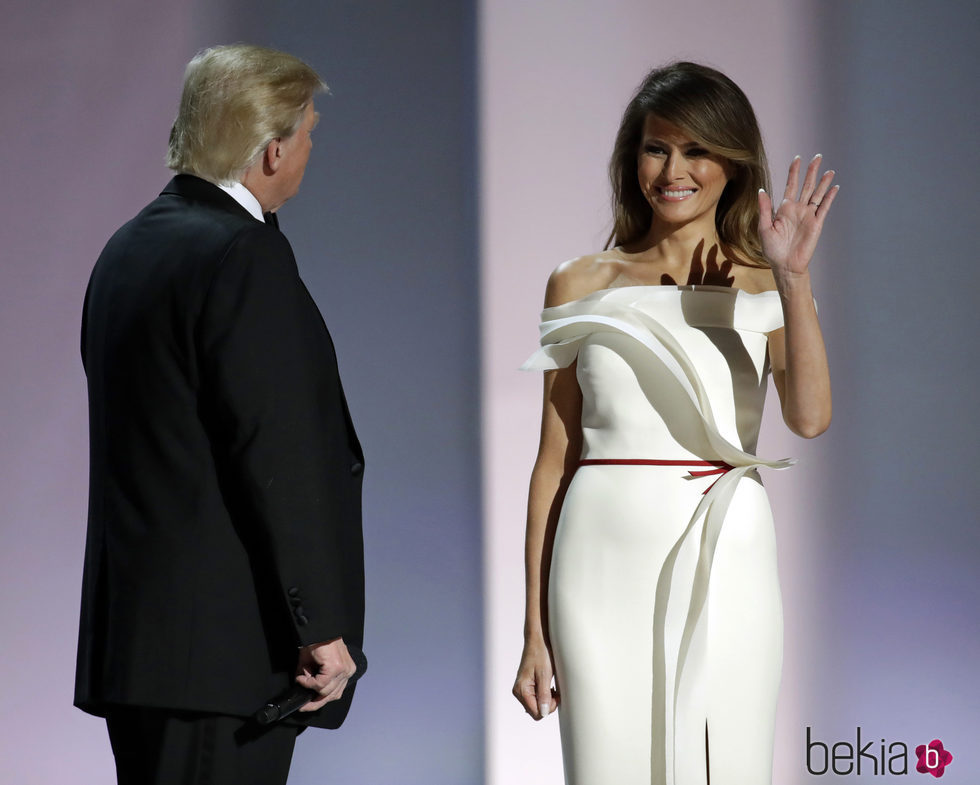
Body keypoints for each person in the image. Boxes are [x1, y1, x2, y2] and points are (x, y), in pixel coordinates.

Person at [513, 62, 836, 785]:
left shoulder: (765, 280)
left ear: (732, 162)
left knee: (724, 761)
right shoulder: (580, 280)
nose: (674, 170)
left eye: (697, 151)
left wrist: (794, 278)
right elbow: (552, 460)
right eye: (658, 147)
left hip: (726, 546)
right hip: (598, 554)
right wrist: (533, 627)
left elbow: (810, 417)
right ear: (634, 159)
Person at [74, 44, 366, 785]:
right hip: (222, 657)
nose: (309, 149)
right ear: (272, 151)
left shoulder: (129, 246)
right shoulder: (242, 256)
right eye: (307, 134)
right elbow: (274, 452)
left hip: (144, 652)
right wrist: (319, 623)